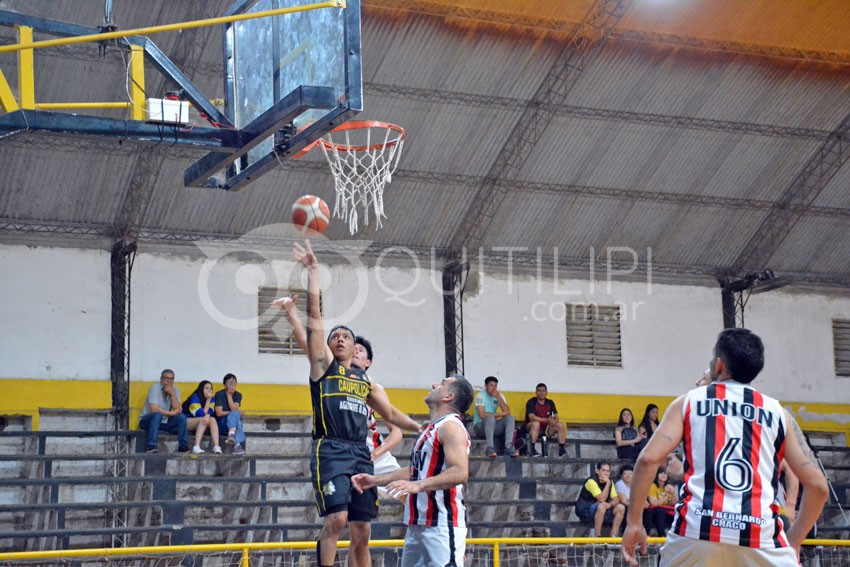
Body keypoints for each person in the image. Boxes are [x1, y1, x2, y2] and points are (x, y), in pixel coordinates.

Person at [622, 328, 829, 567]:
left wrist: (635, 524)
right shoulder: (778, 413)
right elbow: (817, 486)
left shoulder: (689, 401)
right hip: (760, 536)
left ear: (719, 365)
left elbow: (647, 460)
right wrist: (792, 542)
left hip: (696, 532)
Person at [291, 240, 423, 567]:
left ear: (356, 351)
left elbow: (391, 414)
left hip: (360, 452)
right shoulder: (323, 367)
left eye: (346, 337)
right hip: (331, 449)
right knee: (336, 521)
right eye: (335, 335)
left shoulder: (365, 381)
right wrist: (314, 272)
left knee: (362, 529)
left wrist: (422, 426)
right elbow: (315, 316)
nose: (339, 338)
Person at [274, 296, 405, 502]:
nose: (355, 352)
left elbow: (397, 433)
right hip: (339, 450)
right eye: (355, 348)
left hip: (372, 453)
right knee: (340, 513)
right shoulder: (331, 372)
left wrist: (375, 454)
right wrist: (291, 312)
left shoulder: (374, 387)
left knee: (407, 493)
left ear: (368, 362)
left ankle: (421, 528)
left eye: (360, 351)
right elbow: (307, 342)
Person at [351, 374, 475, 567]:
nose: (434, 384)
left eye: (441, 384)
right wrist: (375, 480)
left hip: (441, 524)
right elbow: (416, 471)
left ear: (448, 396)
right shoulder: (431, 429)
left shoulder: (451, 426)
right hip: (418, 524)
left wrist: (418, 485)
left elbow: (460, 472)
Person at [139, 369, 189, 453]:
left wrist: (172, 393)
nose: (169, 381)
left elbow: (178, 409)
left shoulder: (175, 389)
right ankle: (151, 445)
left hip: (164, 421)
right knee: (157, 415)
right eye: (166, 378)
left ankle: (183, 446)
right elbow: (153, 409)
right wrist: (172, 413)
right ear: (161, 379)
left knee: (181, 417)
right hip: (147, 420)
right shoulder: (154, 388)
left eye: (171, 379)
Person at [575, 461, 625, 537]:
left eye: (608, 471)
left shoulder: (610, 482)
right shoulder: (591, 481)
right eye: (603, 470)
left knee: (621, 507)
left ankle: (613, 535)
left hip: (601, 509)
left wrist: (610, 504)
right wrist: (608, 484)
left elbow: (616, 499)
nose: (606, 473)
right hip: (585, 510)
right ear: (597, 471)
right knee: (601, 506)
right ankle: (598, 536)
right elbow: (602, 498)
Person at [471, 376, 518, 457]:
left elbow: (507, 412)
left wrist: (498, 397)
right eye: (491, 385)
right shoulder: (480, 395)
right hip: (480, 427)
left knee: (510, 418)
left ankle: (508, 447)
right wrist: (499, 414)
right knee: (490, 419)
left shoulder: (499, 395)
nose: (493, 388)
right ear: (486, 386)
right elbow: (482, 415)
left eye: (495, 386)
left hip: (493, 425)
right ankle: (490, 448)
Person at [524, 382, 567, 457]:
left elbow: (556, 415)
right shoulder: (531, 402)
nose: (541, 393)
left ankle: (562, 449)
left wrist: (554, 420)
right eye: (539, 391)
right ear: (536, 392)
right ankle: (532, 449)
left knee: (560, 425)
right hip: (531, 427)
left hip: (546, 429)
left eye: (543, 391)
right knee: (536, 423)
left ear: (546, 392)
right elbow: (532, 417)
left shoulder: (550, 402)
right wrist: (547, 420)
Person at [181, 380, 222, 455]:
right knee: (204, 419)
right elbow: (200, 414)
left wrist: (209, 400)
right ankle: (196, 446)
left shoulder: (212, 398)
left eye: (210, 388)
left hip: (201, 421)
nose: (209, 390)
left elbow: (210, 412)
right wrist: (208, 400)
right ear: (201, 389)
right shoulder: (195, 397)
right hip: (186, 421)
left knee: (212, 419)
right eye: (206, 388)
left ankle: (216, 446)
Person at [214, 373, 245, 455]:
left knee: (236, 416)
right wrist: (228, 394)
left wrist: (229, 395)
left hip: (232, 424)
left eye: (233, 382)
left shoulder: (238, 395)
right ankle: (237, 445)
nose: (232, 384)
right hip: (222, 423)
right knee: (236, 415)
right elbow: (219, 413)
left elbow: (233, 408)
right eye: (229, 382)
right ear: (224, 385)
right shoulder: (219, 394)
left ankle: (231, 435)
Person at [642, 467, 675, 536]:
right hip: (654, 513)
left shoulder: (669, 486)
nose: (664, 475)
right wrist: (666, 496)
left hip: (667, 513)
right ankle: (661, 535)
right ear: (656, 475)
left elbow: (673, 503)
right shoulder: (653, 486)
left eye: (665, 473)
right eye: (661, 473)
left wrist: (673, 493)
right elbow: (653, 503)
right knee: (660, 510)